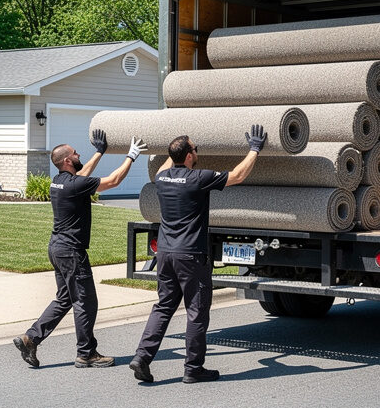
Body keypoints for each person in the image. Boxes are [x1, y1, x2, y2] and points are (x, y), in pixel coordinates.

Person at [129, 124, 265, 384]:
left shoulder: (162, 178)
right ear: (190, 155)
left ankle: (142, 357)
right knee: (196, 311)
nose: (197, 152)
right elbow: (237, 176)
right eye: (195, 149)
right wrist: (254, 149)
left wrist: (177, 148)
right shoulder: (198, 178)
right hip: (191, 255)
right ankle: (193, 369)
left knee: (163, 307)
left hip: (166, 255)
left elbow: (168, 164)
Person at [14, 129, 147, 369]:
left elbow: (82, 175)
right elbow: (113, 181)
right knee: (86, 302)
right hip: (72, 252)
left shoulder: (60, 182)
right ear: (67, 160)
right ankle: (86, 353)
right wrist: (132, 156)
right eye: (75, 154)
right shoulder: (75, 185)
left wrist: (100, 152)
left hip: (57, 248)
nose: (78, 155)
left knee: (65, 298)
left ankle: (30, 338)